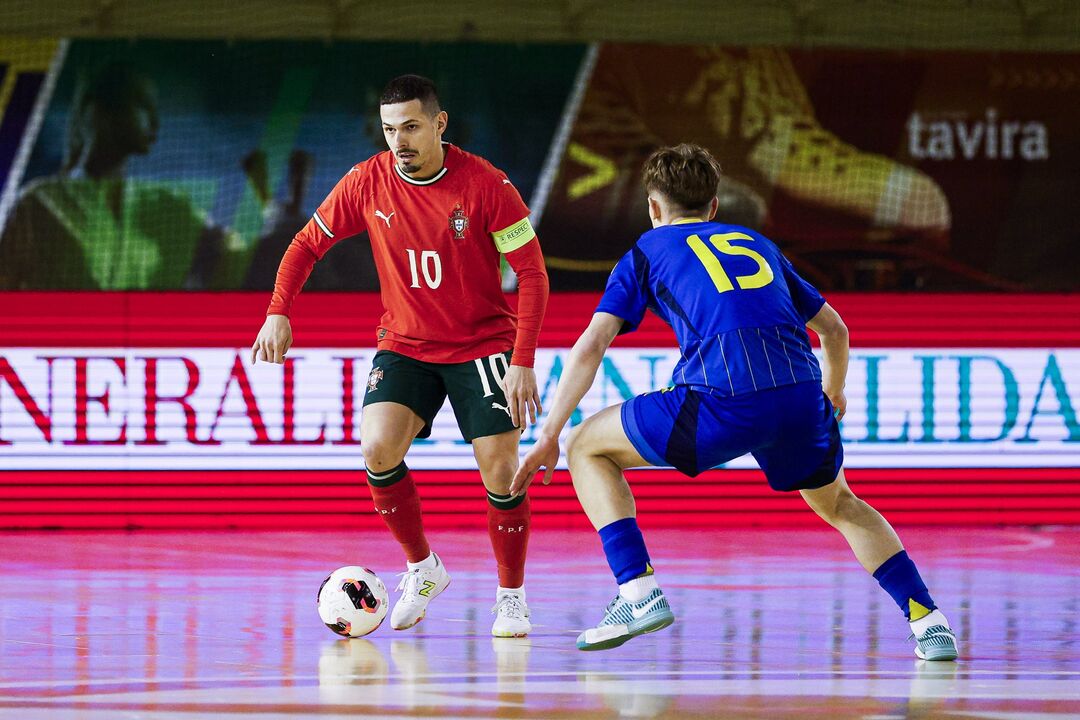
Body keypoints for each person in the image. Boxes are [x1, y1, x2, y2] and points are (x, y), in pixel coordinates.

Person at [511, 143, 957, 659]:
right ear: (715, 206)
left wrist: (548, 435)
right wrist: (833, 392)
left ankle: (636, 591)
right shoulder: (757, 243)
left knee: (585, 445)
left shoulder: (647, 251)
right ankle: (930, 622)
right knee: (841, 504)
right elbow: (835, 330)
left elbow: (592, 345)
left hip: (723, 400)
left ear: (653, 207)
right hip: (800, 396)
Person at [252, 75, 549, 638]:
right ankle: (423, 567)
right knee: (377, 447)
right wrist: (278, 311)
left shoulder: (486, 185)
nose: (400, 141)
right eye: (390, 130)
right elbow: (306, 244)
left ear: (439, 123)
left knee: (503, 473)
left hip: (481, 345)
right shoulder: (366, 181)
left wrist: (523, 360)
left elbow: (532, 274)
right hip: (406, 345)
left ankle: (511, 597)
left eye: (411, 127)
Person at [0, 60, 225, 289]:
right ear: (99, 112)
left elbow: (231, 253)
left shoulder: (168, 206)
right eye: (142, 105)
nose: (155, 122)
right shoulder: (40, 202)